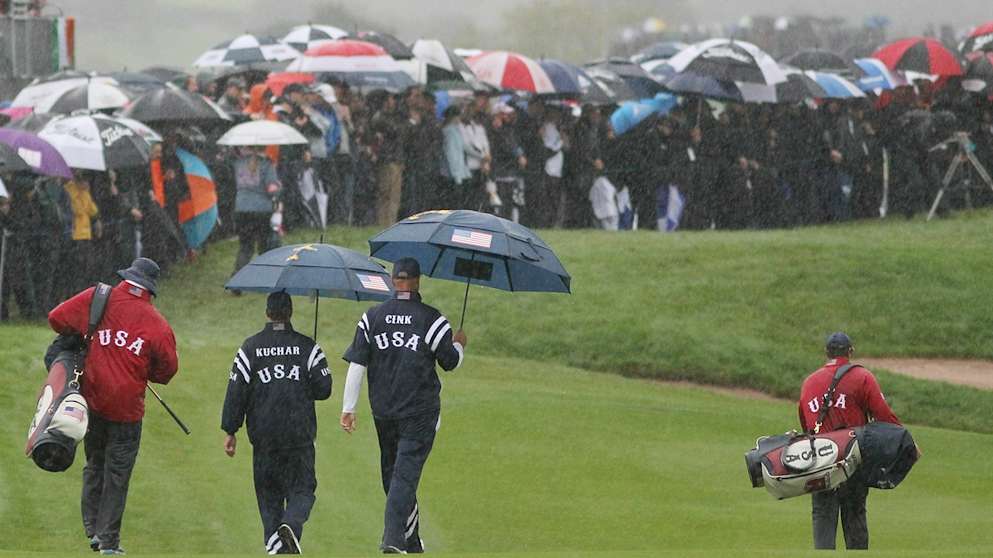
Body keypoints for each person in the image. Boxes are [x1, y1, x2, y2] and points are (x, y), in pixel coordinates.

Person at [47, 257, 179, 555]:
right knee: (118, 474)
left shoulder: (98, 297)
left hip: (92, 402)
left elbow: (56, 317)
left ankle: (92, 528)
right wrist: (143, 370)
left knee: (94, 464)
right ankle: (108, 541)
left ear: (127, 277)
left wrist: (86, 334)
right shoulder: (156, 323)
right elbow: (168, 370)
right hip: (128, 411)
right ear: (150, 287)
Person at [340, 258, 467, 554]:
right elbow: (450, 362)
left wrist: (349, 407)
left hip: (383, 410)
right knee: (403, 475)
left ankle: (410, 539)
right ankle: (394, 538)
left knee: (392, 473)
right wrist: (459, 342)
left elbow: (358, 362)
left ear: (393, 281)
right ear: (418, 281)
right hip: (419, 412)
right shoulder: (431, 319)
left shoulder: (372, 317)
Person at [221, 291, 332, 555]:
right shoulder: (307, 347)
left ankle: (278, 544)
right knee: (303, 489)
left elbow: (236, 391)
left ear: (267, 314)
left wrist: (230, 429)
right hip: (299, 436)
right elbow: (324, 389)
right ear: (290, 313)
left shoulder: (250, 348)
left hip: (265, 439)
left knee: (269, 498)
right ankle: (292, 524)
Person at [798, 332, 902, 551]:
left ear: (826, 353)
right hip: (853, 460)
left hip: (821, 462)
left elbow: (805, 424)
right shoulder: (862, 377)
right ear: (850, 352)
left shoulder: (809, 383)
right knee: (855, 517)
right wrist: (905, 442)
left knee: (822, 515)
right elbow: (883, 415)